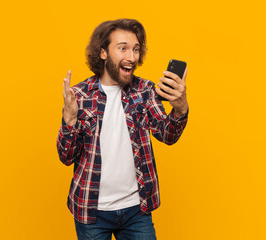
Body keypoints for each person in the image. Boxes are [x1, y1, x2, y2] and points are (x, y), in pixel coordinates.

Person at [56, 18, 189, 240]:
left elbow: (167, 135)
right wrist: (69, 121)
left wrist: (180, 109)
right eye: (123, 48)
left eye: (136, 49)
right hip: (91, 210)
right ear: (103, 53)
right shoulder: (79, 95)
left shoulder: (145, 90)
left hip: (137, 208)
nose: (132, 57)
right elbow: (66, 157)